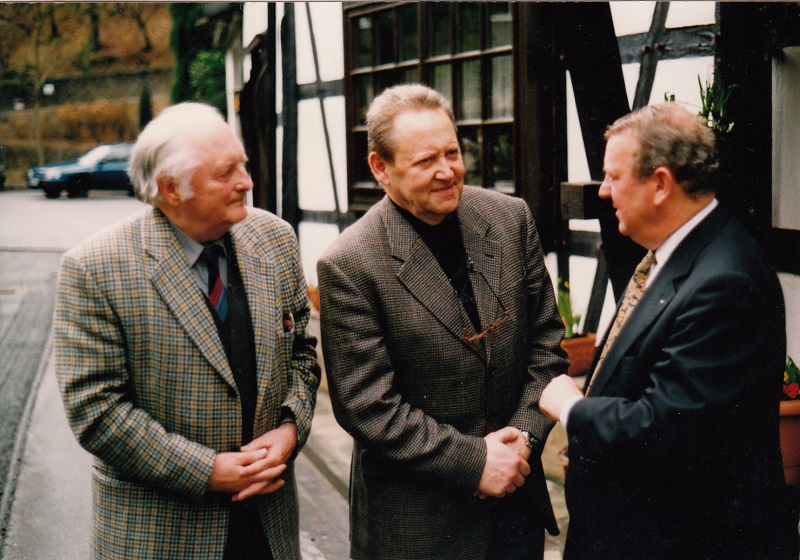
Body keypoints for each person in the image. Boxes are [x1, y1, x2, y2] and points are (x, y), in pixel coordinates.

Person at [54, 102, 320, 560]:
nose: (246, 182)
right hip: (160, 534)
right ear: (171, 189)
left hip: (268, 527)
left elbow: (301, 352)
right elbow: (95, 410)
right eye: (226, 173)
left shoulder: (275, 239)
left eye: (244, 165)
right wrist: (208, 470)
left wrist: (291, 428)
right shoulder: (95, 268)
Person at [317, 84, 569, 560]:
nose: (447, 172)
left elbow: (548, 345)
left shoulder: (509, 219)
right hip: (418, 528)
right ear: (380, 168)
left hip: (515, 511)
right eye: (425, 161)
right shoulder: (350, 263)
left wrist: (522, 443)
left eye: (453, 153)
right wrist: (475, 463)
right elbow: (367, 405)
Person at [540, 102, 794, 559]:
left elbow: (668, 428)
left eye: (613, 176)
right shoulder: (677, 256)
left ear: (659, 183)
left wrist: (573, 411)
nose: (603, 191)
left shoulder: (724, 283)